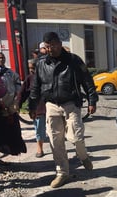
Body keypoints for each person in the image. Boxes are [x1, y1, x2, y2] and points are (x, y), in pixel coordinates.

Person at [29, 31, 98, 188]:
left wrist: (92, 100)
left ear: (60, 44)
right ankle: (62, 173)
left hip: (71, 104)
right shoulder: (41, 64)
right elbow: (35, 87)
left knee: (76, 136)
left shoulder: (74, 61)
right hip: (51, 105)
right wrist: (32, 106)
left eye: (53, 45)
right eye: (47, 46)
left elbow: (87, 81)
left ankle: (83, 156)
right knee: (55, 141)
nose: (51, 49)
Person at [0, 52, 26, 164]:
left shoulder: (10, 72)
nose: (1, 60)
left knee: (9, 132)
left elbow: (18, 85)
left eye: (2, 58)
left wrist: (16, 100)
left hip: (9, 106)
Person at [17, 59, 47, 158]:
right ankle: (40, 148)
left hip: (50, 106)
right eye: (30, 68)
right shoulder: (30, 78)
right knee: (39, 128)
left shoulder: (47, 76)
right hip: (36, 108)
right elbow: (23, 92)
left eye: (33, 68)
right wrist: (18, 104)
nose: (32, 70)